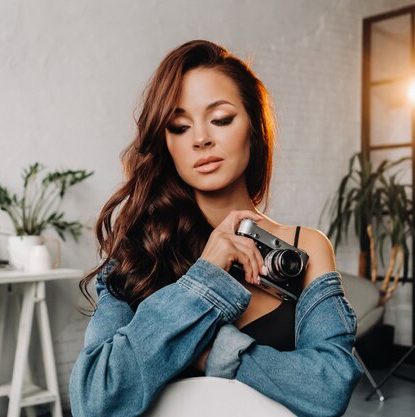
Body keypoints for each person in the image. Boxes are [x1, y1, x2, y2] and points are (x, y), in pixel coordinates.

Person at [69, 39, 363, 417]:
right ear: (166, 144)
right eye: (178, 126)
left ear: (254, 129)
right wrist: (205, 281)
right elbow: (94, 401)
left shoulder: (302, 248)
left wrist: (215, 352)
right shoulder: (137, 253)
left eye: (221, 119)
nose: (200, 138)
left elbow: (329, 388)